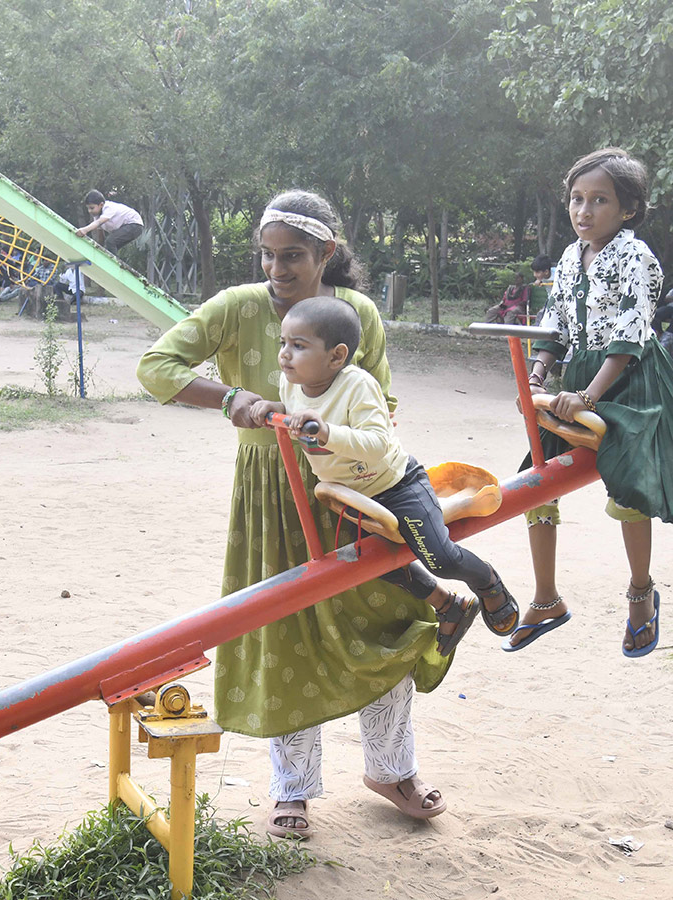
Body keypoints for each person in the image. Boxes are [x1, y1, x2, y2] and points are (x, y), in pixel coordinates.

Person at [138, 190, 475, 840]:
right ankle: (292, 790)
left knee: (389, 617)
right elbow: (156, 368)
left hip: (348, 491)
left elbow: (381, 405)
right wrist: (231, 396)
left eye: (291, 256)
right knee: (284, 631)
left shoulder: (358, 316)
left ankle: (391, 769)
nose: (277, 269)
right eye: (267, 256)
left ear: (325, 252)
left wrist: (346, 448)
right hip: (270, 496)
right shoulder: (237, 309)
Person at [248, 296, 518, 658]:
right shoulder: (291, 385)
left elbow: (376, 443)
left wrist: (325, 432)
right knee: (369, 565)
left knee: (439, 558)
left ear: (336, 356)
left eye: (298, 346)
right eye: (283, 343)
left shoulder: (356, 386)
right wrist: (276, 410)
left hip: (398, 486)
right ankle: (448, 607)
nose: (284, 354)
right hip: (353, 495)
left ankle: (486, 581)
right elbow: (295, 413)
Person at [507, 147, 673, 656]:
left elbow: (628, 335)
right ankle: (545, 598)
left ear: (627, 209)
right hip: (576, 382)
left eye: (599, 200)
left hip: (630, 383)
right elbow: (556, 324)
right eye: (577, 199)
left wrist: (586, 397)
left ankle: (641, 593)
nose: (584, 211)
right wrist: (536, 377)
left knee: (627, 486)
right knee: (535, 483)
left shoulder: (636, 256)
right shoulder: (567, 256)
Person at [75, 190, 143, 254]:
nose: (89, 211)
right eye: (88, 208)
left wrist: (84, 230)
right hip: (128, 227)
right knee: (109, 248)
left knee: (110, 241)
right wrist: (98, 249)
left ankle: (113, 265)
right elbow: (101, 236)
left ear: (101, 205)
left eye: (92, 208)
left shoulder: (108, 208)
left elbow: (98, 222)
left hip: (134, 225)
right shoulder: (97, 216)